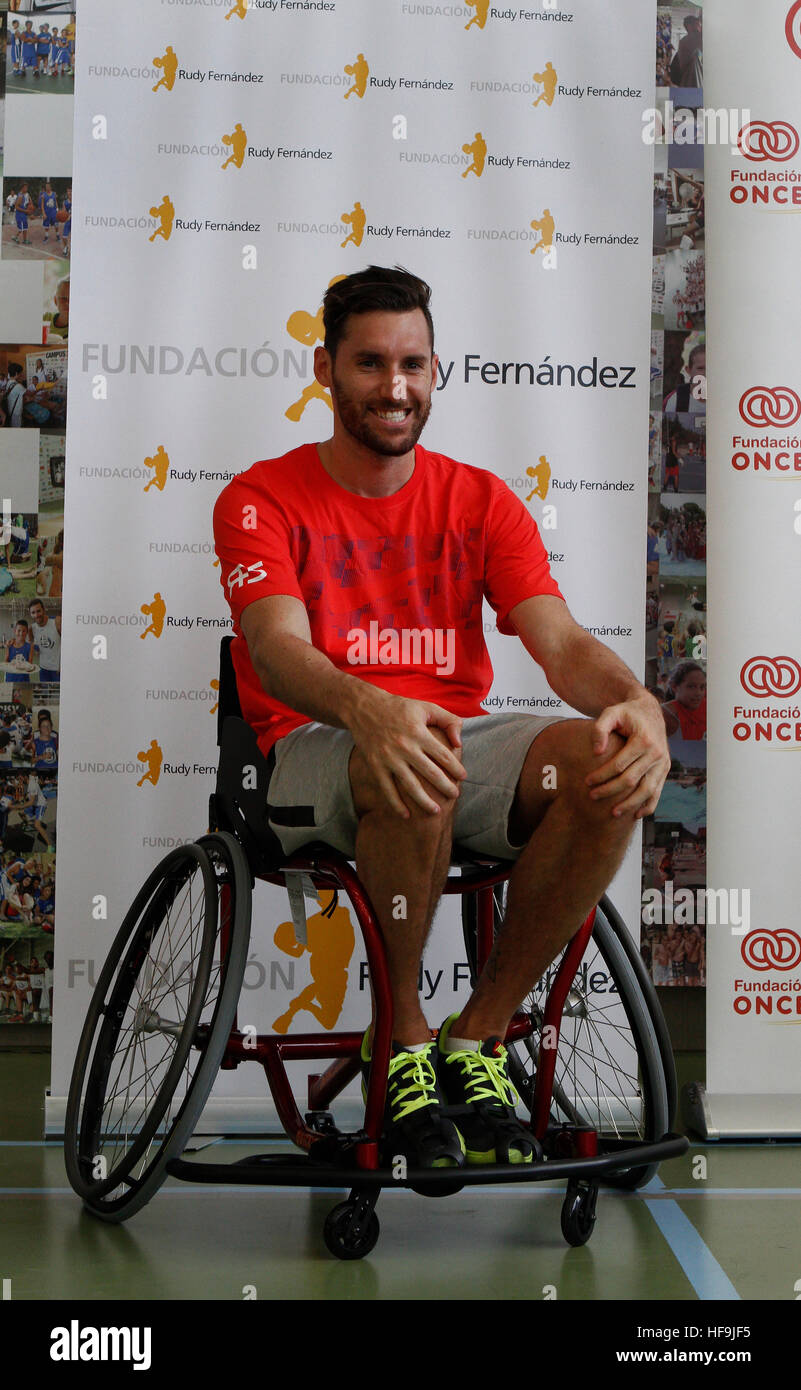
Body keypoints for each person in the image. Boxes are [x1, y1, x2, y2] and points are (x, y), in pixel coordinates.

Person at [213, 266, 670, 1172]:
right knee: (412, 753)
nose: (395, 387)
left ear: (435, 370)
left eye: (413, 364)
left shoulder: (481, 498)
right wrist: (371, 709)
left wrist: (635, 702)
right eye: (371, 363)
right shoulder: (259, 496)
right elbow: (276, 651)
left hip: (452, 740)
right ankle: (404, 1043)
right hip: (309, 748)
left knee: (600, 765)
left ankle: (478, 1038)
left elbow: (560, 640)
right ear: (326, 369)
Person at [660, 660, 706, 739]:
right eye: (691, 686)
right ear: (674, 687)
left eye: (702, 687)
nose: (698, 693)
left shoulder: (707, 707)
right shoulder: (665, 714)